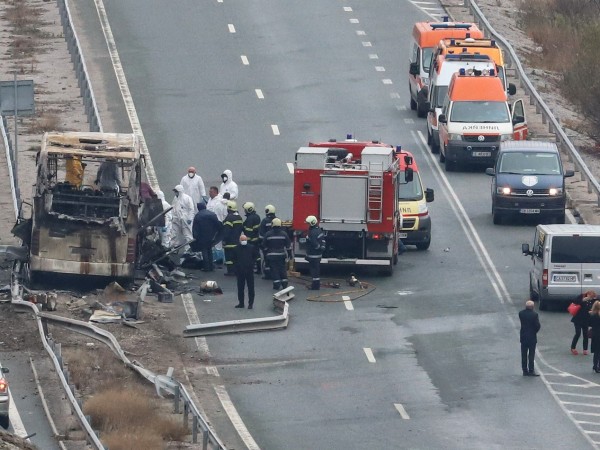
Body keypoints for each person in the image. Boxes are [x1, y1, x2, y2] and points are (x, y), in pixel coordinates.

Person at [191, 203, 222, 272]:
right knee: (209, 250)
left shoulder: (198, 216)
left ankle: (206, 267)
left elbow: (195, 228)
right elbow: (218, 224)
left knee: (204, 251)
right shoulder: (212, 214)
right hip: (211, 235)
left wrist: (195, 237)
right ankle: (211, 266)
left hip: (202, 236)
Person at [263, 218, 291, 290]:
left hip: (271, 256)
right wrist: (289, 255)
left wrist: (266, 254)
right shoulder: (284, 234)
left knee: (274, 270)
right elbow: (288, 246)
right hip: (281, 255)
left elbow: (264, 246)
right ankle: (284, 283)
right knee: (282, 269)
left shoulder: (268, 234)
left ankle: (276, 284)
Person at [232, 234, 258, 309]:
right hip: (243, 271)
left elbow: (255, 256)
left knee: (248, 288)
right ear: (240, 240)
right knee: (242, 288)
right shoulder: (237, 248)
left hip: (247, 270)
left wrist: (252, 264)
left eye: (244, 240)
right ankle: (243, 303)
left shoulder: (249, 248)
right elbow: (233, 259)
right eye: (242, 240)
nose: (243, 241)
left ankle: (249, 304)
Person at [170, 185, 195, 252]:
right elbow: (173, 208)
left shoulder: (187, 198)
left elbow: (191, 209)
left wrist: (190, 218)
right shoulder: (175, 198)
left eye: (176, 191)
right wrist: (173, 216)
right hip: (176, 219)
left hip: (185, 219)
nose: (175, 193)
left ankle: (188, 249)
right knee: (175, 233)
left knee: (187, 234)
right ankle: (174, 248)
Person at [519, 300, 541, 376]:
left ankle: (524, 370)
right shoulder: (535, 315)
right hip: (532, 336)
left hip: (523, 336)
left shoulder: (521, 313)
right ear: (532, 307)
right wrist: (534, 331)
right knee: (531, 354)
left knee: (523, 354)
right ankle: (531, 370)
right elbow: (537, 326)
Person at [206, 186, 227, 265]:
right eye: (209, 192)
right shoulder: (210, 200)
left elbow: (221, 213)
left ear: (215, 192)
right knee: (213, 241)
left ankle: (220, 259)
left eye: (211, 192)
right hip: (211, 224)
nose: (209, 193)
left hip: (218, 223)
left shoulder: (219, 201)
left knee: (218, 242)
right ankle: (215, 258)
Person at [222, 201, 244, 275]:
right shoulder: (239, 217)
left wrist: (224, 240)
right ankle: (236, 270)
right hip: (237, 241)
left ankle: (230, 271)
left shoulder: (229, 218)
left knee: (229, 258)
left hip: (229, 242)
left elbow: (226, 230)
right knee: (235, 257)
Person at [570, 291, 594, 355]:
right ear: (588, 295)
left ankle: (585, 349)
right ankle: (573, 347)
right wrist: (583, 300)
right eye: (590, 297)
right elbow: (575, 302)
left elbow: (590, 309)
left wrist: (591, 312)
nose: (591, 298)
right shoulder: (581, 296)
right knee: (578, 333)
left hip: (585, 320)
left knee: (585, 334)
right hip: (577, 319)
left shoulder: (591, 301)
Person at [305, 215, 325, 290]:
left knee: (313, 270)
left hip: (313, 254)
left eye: (308, 223)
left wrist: (318, 248)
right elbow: (323, 241)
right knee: (316, 269)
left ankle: (315, 286)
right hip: (318, 255)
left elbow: (314, 243)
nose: (308, 225)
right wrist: (321, 248)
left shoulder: (312, 232)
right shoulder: (319, 230)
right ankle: (316, 284)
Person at [242, 202, 262, 274]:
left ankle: (250, 269)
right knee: (257, 255)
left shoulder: (250, 219)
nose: (244, 211)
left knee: (250, 255)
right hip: (256, 239)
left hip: (250, 240)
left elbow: (248, 231)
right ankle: (259, 269)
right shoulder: (257, 216)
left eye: (245, 210)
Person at [259, 204, 277, 279]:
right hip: (276, 244)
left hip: (267, 245)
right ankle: (275, 274)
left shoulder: (264, 221)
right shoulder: (277, 220)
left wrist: (262, 244)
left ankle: (268, 275)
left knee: (267, 260)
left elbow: (261, 234)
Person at [590, 300, 600, 373]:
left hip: (594, 334)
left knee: (596, 351)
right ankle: (598, 366)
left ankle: (595, 365)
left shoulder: (592, 315)